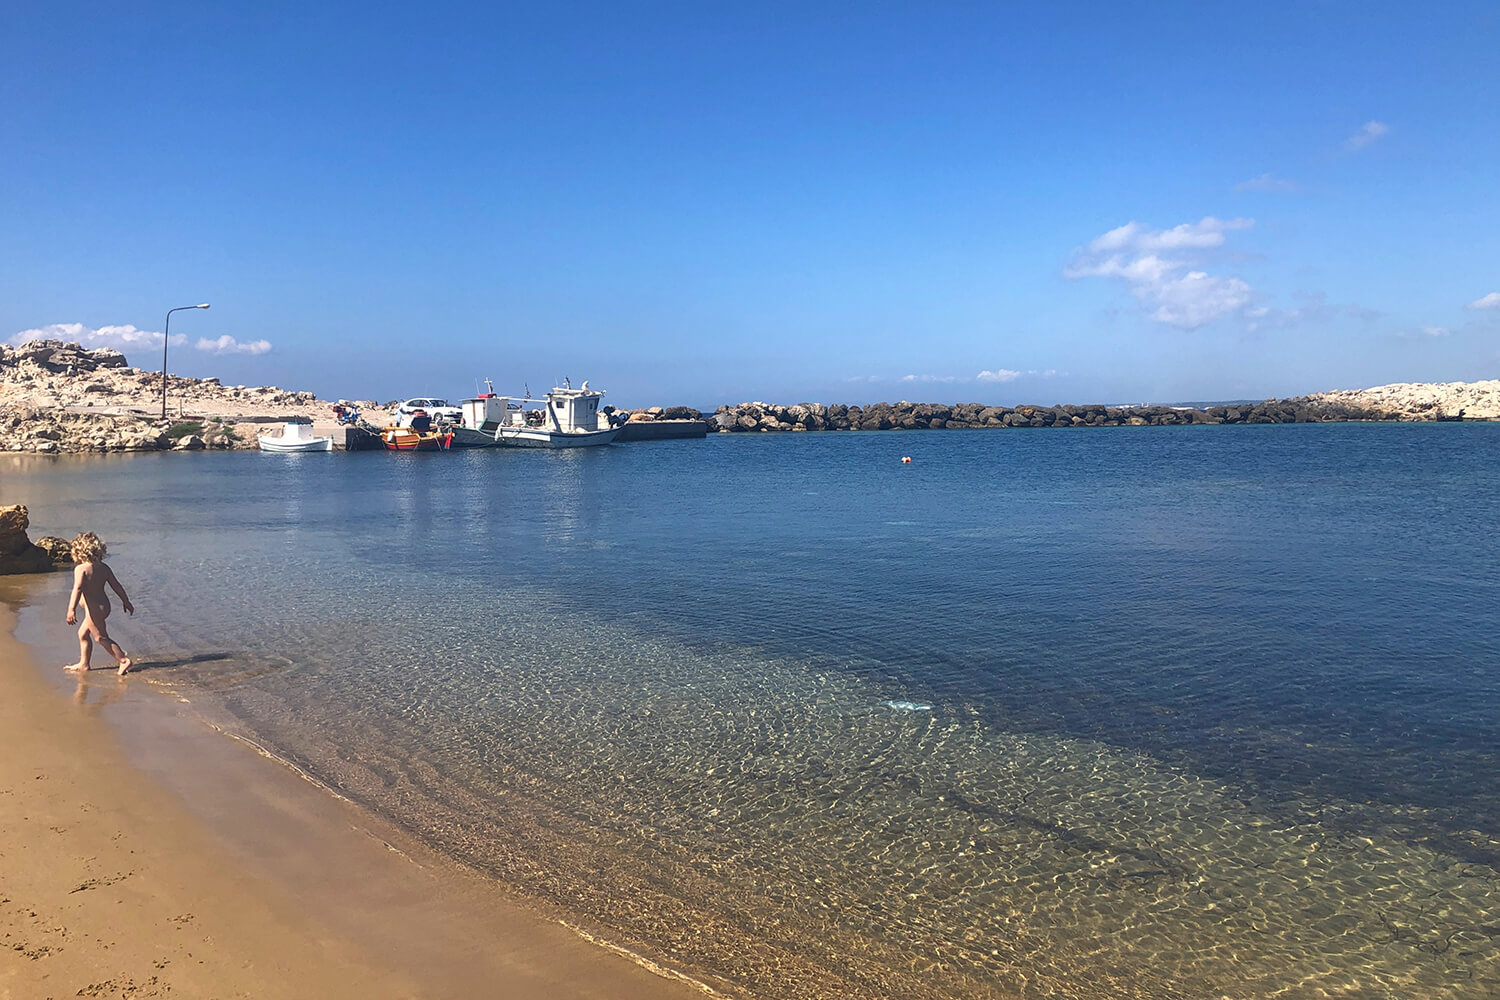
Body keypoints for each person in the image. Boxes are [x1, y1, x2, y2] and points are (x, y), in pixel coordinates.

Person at [64, 531, 134, 675]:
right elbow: (116, 585)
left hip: (94, 610)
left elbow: (77, 589)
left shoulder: (81, 569)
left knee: (100, 637)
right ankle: (84, 664)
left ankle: (123, 660)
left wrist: (71, 609)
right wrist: (125, 601)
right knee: (82, 634)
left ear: (78, 552)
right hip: (103, 606)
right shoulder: (104, 567)